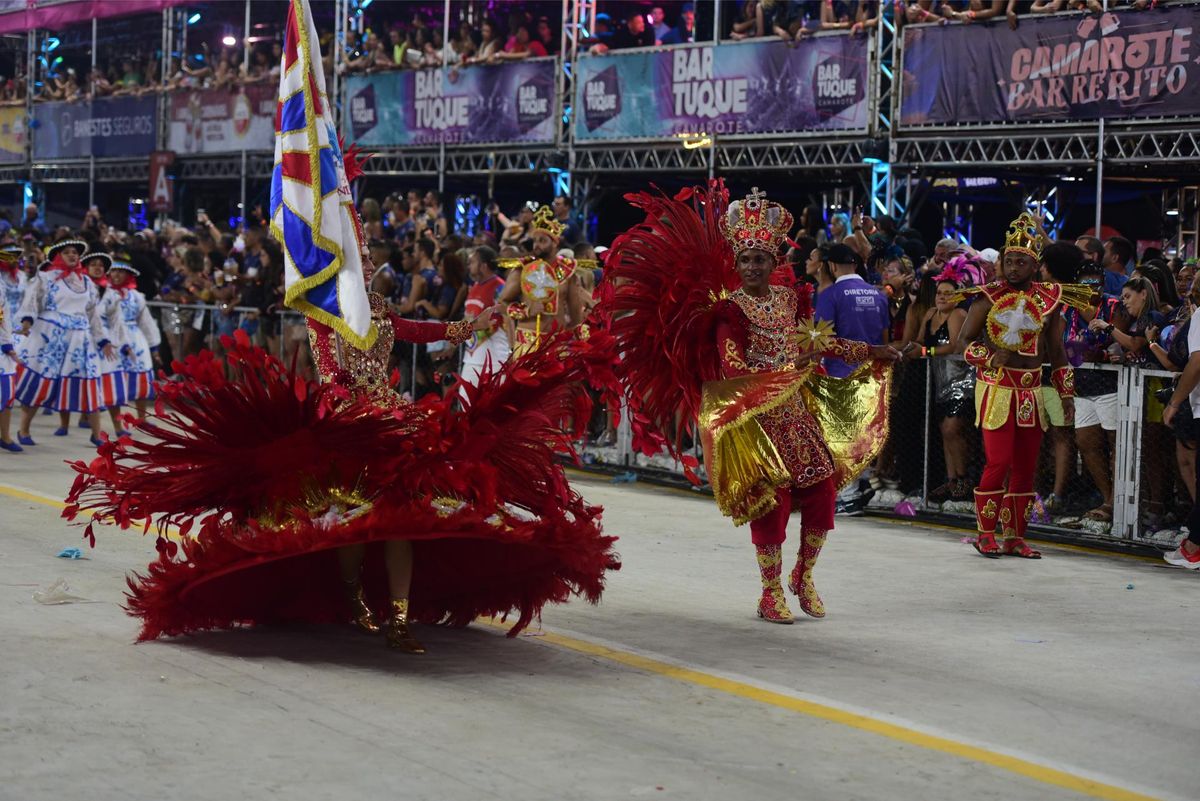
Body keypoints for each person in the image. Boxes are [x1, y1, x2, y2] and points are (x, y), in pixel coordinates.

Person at [65, 141, 622, 652]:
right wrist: (353, 405)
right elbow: (331, 370)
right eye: (360, 264)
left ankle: (399, 618)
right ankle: (356, 601)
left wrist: (471, 327)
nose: (370, 272)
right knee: (356, 523)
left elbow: (416, 330)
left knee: (407, 517)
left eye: (370, 264)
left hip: (396, 421)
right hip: (350, 424)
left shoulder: (378, 311)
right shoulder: (325, 318)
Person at [603, 184, 898, 624]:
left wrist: (870, 352)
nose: (753, 266)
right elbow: (732, 366)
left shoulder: (789, 299)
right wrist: (784, 370)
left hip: (796, 416)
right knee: (771, 502)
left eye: (761, 258)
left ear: (774, 262)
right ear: (736, 264)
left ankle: (804, 574)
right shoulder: (729, 311)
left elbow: (818, 340)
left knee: (821, 495)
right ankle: (770, 590)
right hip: (754, 419)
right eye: (746, 259)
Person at [956, 213, 1092, 558]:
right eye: (1008, 261)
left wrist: (1066, 393)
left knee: (1026, 468)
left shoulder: (1050, 300)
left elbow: (1058, 353)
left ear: (1035, 266)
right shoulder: (987, 296)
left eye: (1022, 261)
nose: (1013, 267)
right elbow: (963, 342)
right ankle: (985, 534)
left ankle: (1015, 537)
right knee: (998, 463)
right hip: (997, 388)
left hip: (1031, 390)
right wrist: (989, 357)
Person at [14, 239, 114, 446]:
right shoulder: (47, 278)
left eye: (75, 253)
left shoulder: (87, 283)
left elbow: (93, 315)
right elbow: (31, 302)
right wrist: (26, 322)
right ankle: (23, 430)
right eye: (68, 252)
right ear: (59, 255)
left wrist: (103, 340)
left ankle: (97, 434)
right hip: (51, 337)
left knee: (89, 381)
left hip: (79, 339)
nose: (72, 255)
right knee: (42, 381)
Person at [496, 206, 595, 356]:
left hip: (557, 345)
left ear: (555, 243)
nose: (536, 245)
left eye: (542, 240)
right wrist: (526, 311)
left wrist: (581, 345)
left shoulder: (568, 272)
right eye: (535, 240)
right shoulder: (523, 269)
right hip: (527, 344)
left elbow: (575, 316)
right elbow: (502, 303)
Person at [97, 258, 161, 424]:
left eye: (121, 271)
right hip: (112, 338)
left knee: (140, 378)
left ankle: (142, 418)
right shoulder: (104, 293)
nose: (117, 275)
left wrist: (154, 346)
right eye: (114, 271)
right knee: (111, 378)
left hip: (135, 339)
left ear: (129, 275)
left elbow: (146, 321)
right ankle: (91, 416)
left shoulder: (137, 297)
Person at [460, 245, 510, 392]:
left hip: (495, 359)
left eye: (472, 262)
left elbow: (505, 317)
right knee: (465, 408)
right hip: (471, 358)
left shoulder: (500, 287)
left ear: (483, 266)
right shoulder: (474, 287)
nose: (469, 266)